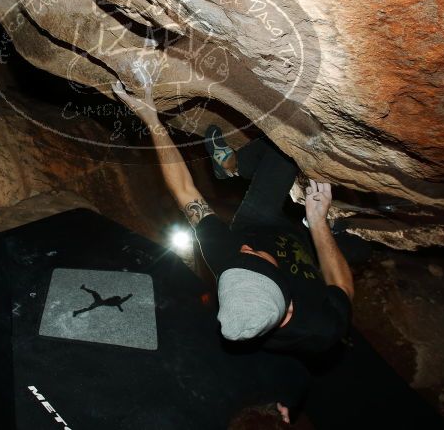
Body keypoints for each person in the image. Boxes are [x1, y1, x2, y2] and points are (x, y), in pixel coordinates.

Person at [113, 81, 354, 357]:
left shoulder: (227, 257)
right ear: (287, 302)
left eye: (240, 257)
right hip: (305, 251)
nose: (244, 248)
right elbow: (342, 286)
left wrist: (151, 118)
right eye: (252, 256)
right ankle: (317, 227)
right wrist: (318, 222)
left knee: (286, 148)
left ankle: (231, 165)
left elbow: (184, 191)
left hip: (259, 223)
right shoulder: (320, 329)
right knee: (358, 246)